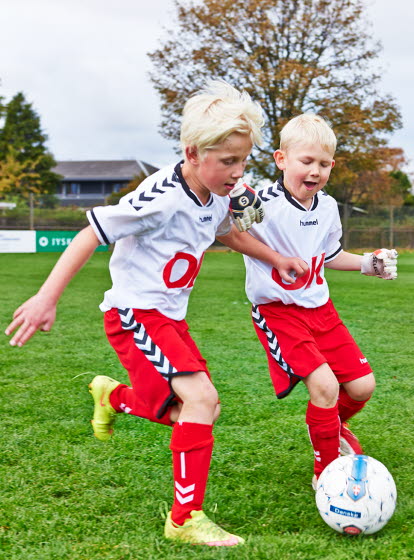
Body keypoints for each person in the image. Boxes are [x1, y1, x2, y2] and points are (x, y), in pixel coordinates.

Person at [4, 81, 307, 547]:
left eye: (243, 160)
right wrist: (47, 297)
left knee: (199, 408)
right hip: (135, 315)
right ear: (192, 152)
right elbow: (91, 232)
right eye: (228, 161)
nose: (238, 171)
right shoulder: (162, 197)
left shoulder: (219, 190)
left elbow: (227, 231)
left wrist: (275, 257)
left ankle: (114, 398)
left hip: (169, 319)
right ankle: (185, 519)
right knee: (201, 402)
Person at [241, 113, 398, 489]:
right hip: (278, 312)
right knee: (325, 387)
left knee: (362, 387)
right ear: (282, 160)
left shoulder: (327, 207)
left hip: (321, 309)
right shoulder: (259, 204)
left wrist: (367, 264)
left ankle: (329, 428)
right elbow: (227, 232)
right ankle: (326, 474)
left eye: (324, 164)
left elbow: (329, 256)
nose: (315, 171)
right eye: (306, 161)